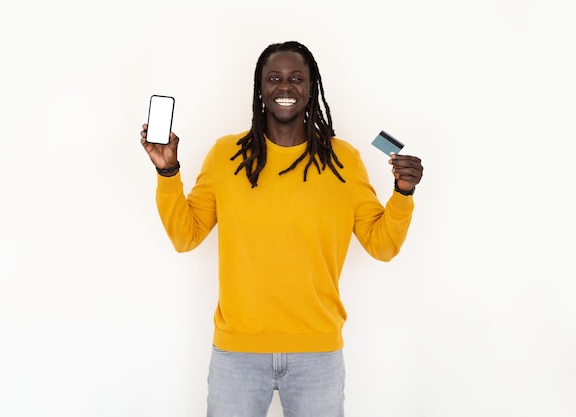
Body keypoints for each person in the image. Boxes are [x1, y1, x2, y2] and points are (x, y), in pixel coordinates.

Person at [140, 40, 423, 417]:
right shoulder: (227, 155)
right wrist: (167, 171)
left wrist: (403, 193)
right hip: (236, 354)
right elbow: (185, 236)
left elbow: (382, 245)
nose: (285, 87)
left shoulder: (344, 161)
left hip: (317, 354)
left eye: (296, 78)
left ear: (311, 88)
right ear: (260, 88)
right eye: (273, 78)